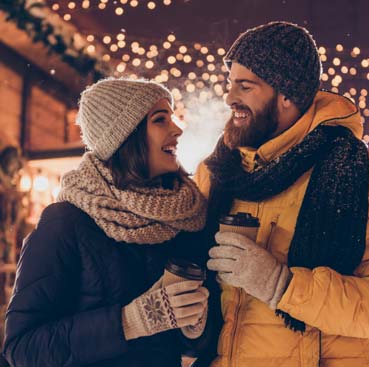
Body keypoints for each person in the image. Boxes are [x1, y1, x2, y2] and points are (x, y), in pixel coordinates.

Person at [194, 21, 369, 366]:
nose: (229, 98)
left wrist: (282, 284)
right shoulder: (217, 171)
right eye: (230, 84)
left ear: (287, 95)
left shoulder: (361, 172)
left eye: (245, 86)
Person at [2, 78, 214, 367]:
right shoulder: (66, 221)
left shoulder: (184, 218)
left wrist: (195, 329)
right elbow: (22, 350)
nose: (177, 129)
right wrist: (129, 322)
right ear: (125, 135)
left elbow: (193, 346)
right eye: (160, 119)